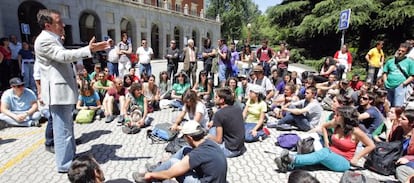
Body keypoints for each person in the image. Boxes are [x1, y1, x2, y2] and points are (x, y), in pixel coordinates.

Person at [34, 9, 109, 173]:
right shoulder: (44, 40)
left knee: (67, 129)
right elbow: (63, 56)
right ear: (48, 25)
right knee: (62, 131)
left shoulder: (52, 39)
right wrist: (89, 50)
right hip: (57, 94)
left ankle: (70, 157)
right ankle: (65, 164)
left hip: (62, 93)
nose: (63, 24)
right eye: (59, 22)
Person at [275, 106, 375, 172]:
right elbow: (323, 127)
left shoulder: (356, 131)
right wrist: (327, 141)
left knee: (323, 153)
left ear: (345, 117)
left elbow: (371, 145)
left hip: (344, 162)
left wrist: (356, 158)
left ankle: (292, 158)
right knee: (314, 157)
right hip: (330, 154)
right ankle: (287, 166)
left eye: (337, 115)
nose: (334, 116)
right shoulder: (337, 124)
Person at [133, 120, 228, 183]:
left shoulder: (197, 154)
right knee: (184, 149)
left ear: (190, 137)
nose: (184, 139)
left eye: (184, 137)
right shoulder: (208, 142)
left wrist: (151, 175)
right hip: (217, 179)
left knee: (173, 163)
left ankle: (150, 177)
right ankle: (159, 168)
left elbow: (170, 174)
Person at [208, 87, 246, 157]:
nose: (214, 98)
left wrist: (206, 136)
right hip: (241, 148)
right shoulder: (238, 108)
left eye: (216, 97)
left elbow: (218, 140)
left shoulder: (219, 114)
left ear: (222, 100)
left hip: (229, 150)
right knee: (214, 127)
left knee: (207, 137)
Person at [383, 42, 414, 107]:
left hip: (400, 86)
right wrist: (385, 82)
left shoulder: (410, 62)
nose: (400, 52)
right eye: (399, 50)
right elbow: (385, 72)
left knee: (398, 106)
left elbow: (412, 76)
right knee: (387, 105)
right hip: (389, 86)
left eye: (403, 51)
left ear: (406, 53)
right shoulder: (390, 61)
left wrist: (403, 84)